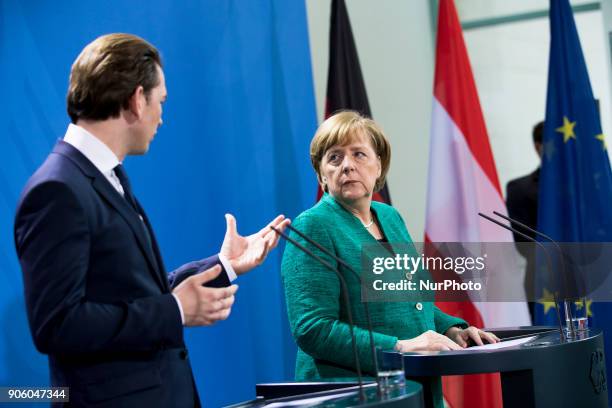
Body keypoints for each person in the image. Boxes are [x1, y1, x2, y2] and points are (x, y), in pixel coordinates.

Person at [13, 33, 289, 407]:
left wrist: (226, 265)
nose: (162, 114)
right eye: (160, 101)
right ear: (136, 100)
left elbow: (131, 292)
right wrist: (175, 311)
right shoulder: (58, 190)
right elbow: (58, 326)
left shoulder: (104, 176)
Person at [281, 111, 498, 408]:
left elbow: (411, 302)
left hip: (413, 386)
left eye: (359, 154)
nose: (347, 166)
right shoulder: (313, 227)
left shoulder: (389, 217)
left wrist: (452, 329)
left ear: (378, 165)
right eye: (334, 158)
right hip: (355, 395)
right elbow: (312, 328)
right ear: (321, 174)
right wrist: (399, 348)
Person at [506, 121, 543, 323]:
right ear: (538, 146)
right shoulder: (520, 189)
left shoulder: (593, 186)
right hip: (543, 281)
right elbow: (524, 245)